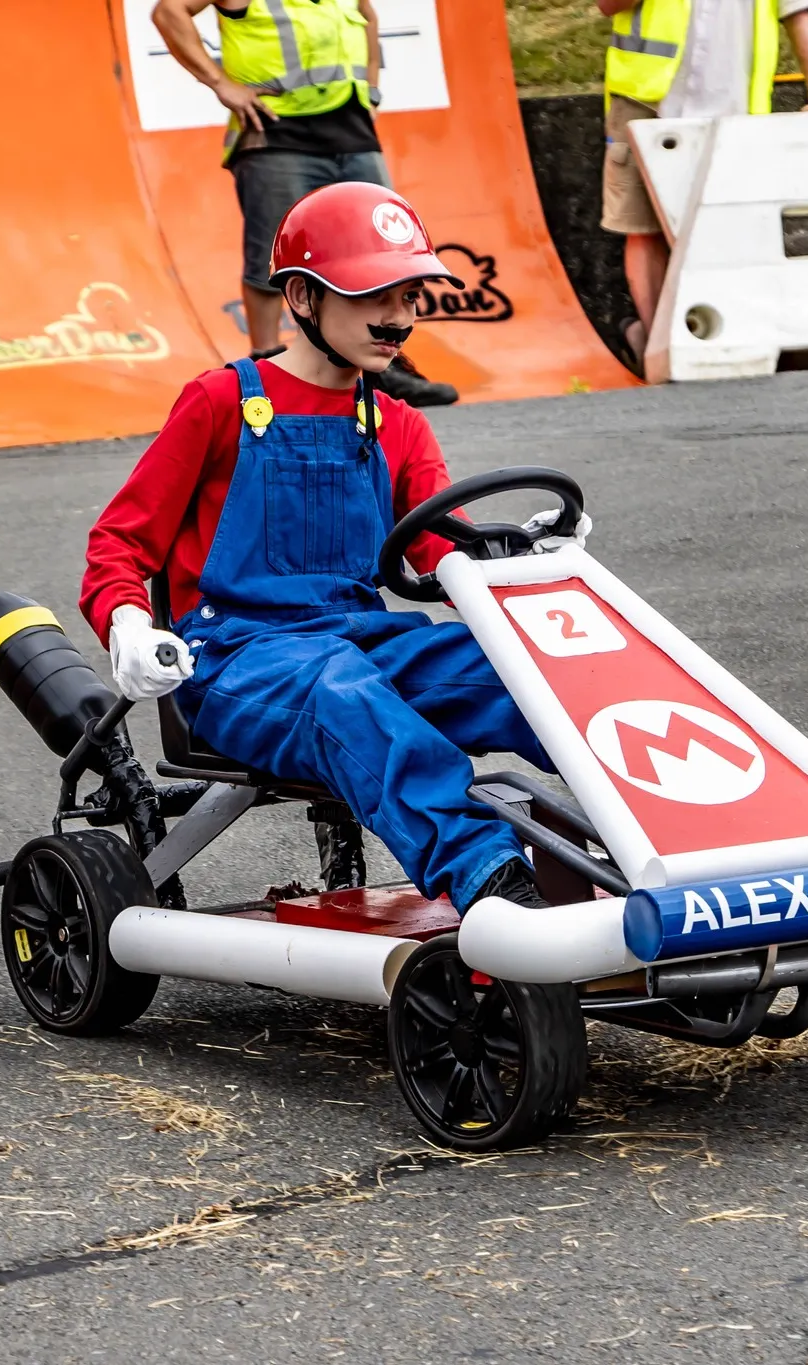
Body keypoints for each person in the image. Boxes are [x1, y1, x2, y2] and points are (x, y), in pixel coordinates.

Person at [80, 183, 586, 912]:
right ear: (302, 297)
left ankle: (675, 842)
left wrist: (530, 564)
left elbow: (449, 552)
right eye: (373, 294)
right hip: (236, 661)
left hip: (363, 644)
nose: (397, 319)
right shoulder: (221, 402)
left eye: (409, 296)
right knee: (341, 691)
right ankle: (493, 882)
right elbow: (120, 542)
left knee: (533, 674)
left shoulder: (398, 423)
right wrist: (127, 625)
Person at [150, 0, 458, 407]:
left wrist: (371, 89)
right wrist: (221, 83)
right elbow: (168, 11)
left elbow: (367, 16)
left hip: (351, 129)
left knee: (385, 253)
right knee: (271, 256)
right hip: (276, 132)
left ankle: (384, 370)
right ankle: (264, 370)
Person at [596, 0, 808, 372]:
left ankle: (728, 337)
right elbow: (609, 5)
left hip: (734, 114)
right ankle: (660, 345)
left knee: (735, 233)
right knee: (643, 228)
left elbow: (798, 14)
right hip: (645, 102)